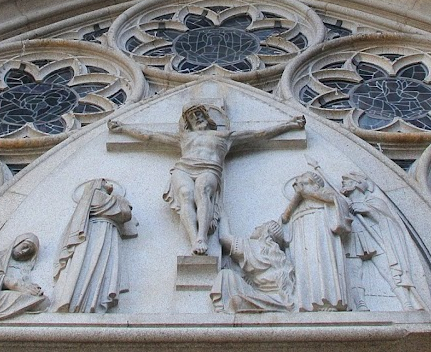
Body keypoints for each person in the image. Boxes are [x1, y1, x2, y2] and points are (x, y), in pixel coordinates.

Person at [109, 104, 305, 254]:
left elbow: (258, 134)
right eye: (193, 117)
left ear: (207, 118)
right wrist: (123, 128)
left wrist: (288, 124)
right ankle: (195, 239)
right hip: (184, 168)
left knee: (203, 191)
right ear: (188, 123)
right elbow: (150, 136)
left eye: (200, 115)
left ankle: (202, 236)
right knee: (185, 194)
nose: (198, 118)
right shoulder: (183, 138)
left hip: (209, 168)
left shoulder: (224, 136)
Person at [339, 171, 429, 311]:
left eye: (347, 181)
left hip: (375, 237)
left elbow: (389, 221)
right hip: (353, 238)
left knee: (389, 271)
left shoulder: (374, 201)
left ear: (357, 184)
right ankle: (361, 304)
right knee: (354, 272)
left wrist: (367, 210)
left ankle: (407, 303)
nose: (343, 183)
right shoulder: (344, 203)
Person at [53, 178, 138, 313]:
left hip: (106, 231)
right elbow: (124, 213)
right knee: (90, 264)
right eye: (104, 181)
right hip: (97, 232)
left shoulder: (105, 199)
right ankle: (81, 302)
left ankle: (90, 300)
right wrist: (120, 201)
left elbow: (124, 214)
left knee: (103, 265)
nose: (108, 183)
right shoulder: (98, 196)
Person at [281, 170, 350, 311]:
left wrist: (306, 193)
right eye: (299, 183)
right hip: (301, 233)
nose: (300, 185)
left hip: (320, 230)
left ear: (314, 184)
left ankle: (329, 302)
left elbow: (340, 203)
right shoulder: (298, 203)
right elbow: (284, 218)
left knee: (324, 265)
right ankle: (306, 304)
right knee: (305, 267)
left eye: (304, 182)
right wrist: (298, 196)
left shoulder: (326, 194)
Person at [211, 218, 295, 313]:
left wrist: (221, 213)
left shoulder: (256, 247)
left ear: (265, 233)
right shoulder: (278, 256)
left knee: (226, 275)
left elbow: (224, 238)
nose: (256, 227)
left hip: (265, 298)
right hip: (279, 299)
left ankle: (231, 306)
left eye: (260, 227)